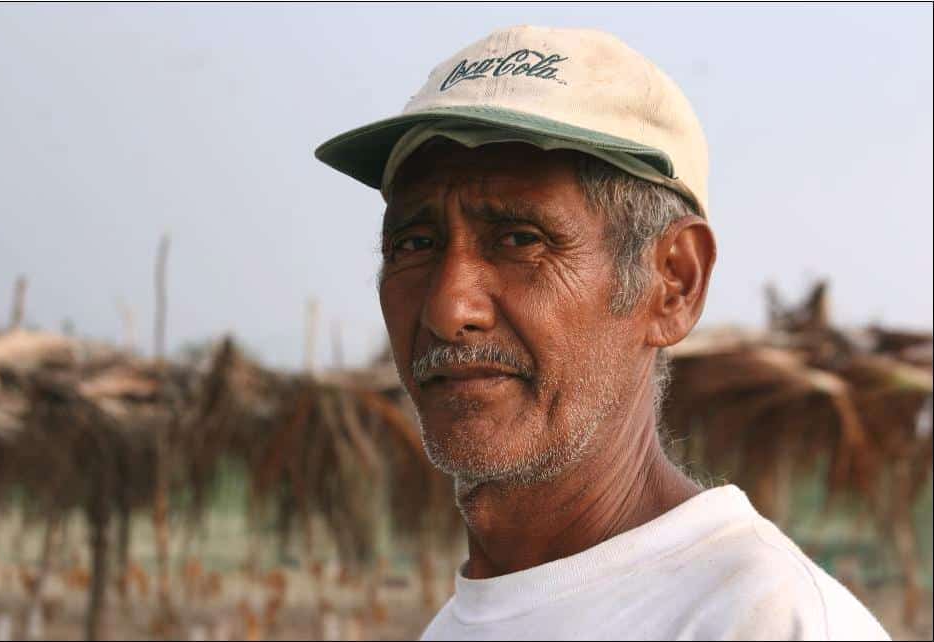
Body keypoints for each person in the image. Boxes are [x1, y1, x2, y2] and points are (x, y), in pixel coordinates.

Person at [316, 25, 891, 641]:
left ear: (674, 284)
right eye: (415, 244)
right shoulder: (459, 626)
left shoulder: (764, 622)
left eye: (519, 239)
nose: (447, 307)